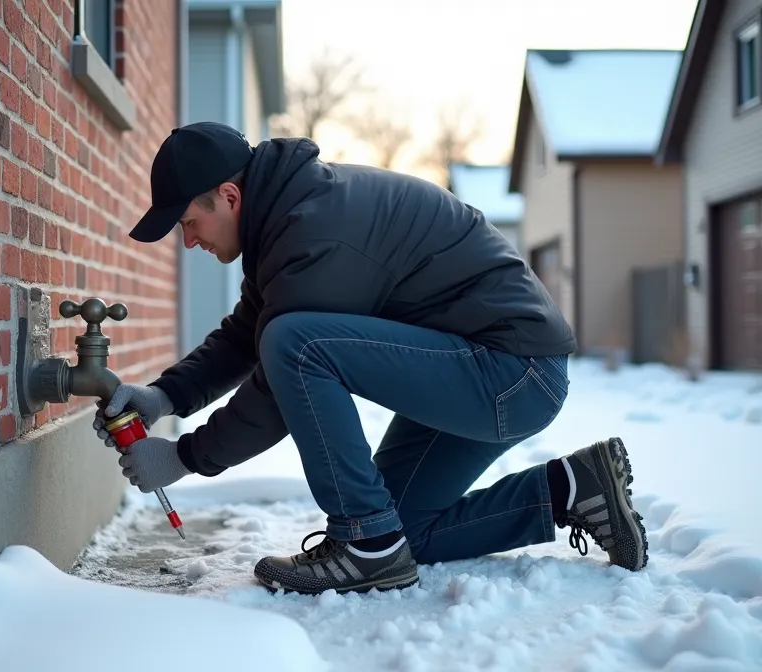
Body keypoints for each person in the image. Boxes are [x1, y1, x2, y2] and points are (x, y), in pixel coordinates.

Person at [92, 121, 647, 596]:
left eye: (188, 222)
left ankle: (364, 541)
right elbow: (245, 333)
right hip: (489, 366)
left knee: (297, 345)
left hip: (510, 373)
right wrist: (166, 395)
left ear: (230, 197)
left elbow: (278, 384)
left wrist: (186, 457)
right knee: (404, 529)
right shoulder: (289, 222)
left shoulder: (315, 232)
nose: (188, 241)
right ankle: (574, 487)